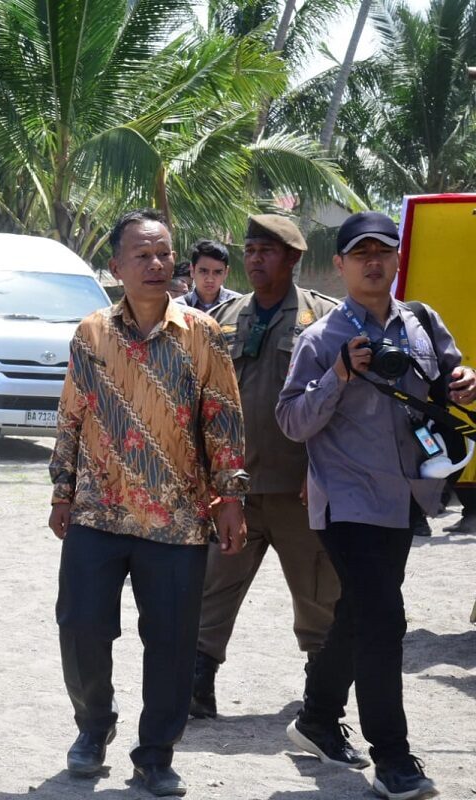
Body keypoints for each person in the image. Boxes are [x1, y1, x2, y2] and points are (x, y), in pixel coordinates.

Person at [48, 209, 248, 798]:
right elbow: (71, 415)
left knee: (171, 641)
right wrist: (62, 490)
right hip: (98, 511)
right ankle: (94, 726)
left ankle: (156, 754)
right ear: (117, 266)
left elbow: (223, 418)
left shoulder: (203, 334)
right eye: (142, 254)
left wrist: (231, 498)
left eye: (164, 253)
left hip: (178, 518)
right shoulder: (90, 333)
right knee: (80, 626)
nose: (156, 264)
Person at [276, 210, 476, 800]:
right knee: (385, 620)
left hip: (407, 494)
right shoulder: (320, 339)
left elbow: (449, 375)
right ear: (340, 265)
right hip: (346, 500)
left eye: (382, 252)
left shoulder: (421, 321)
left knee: (361, 612)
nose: (372, 262)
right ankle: (393, 758)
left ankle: (317, 718)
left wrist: (464, 379)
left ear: (395, 259)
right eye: (360, 253)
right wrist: (339, 374)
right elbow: (291, 421)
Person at [189, 215, 341, 719]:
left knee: (319, 594)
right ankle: (197, 685)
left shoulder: (325, 319)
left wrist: (320, 472)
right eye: (250, 250)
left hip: (300, 488)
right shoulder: (222, 318)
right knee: (213, 588)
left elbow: (342, 406)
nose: (255, 259)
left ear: (293, 258)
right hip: (235, 490)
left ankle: (321, 696)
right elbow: (201, 399)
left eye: (267, 251)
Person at [176, 239, 241, 312]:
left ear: (226, 273)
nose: (210, 279)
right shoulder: (177, 308)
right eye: (204, 271)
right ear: (192, 270)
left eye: (217, 272)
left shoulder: (238, 306)